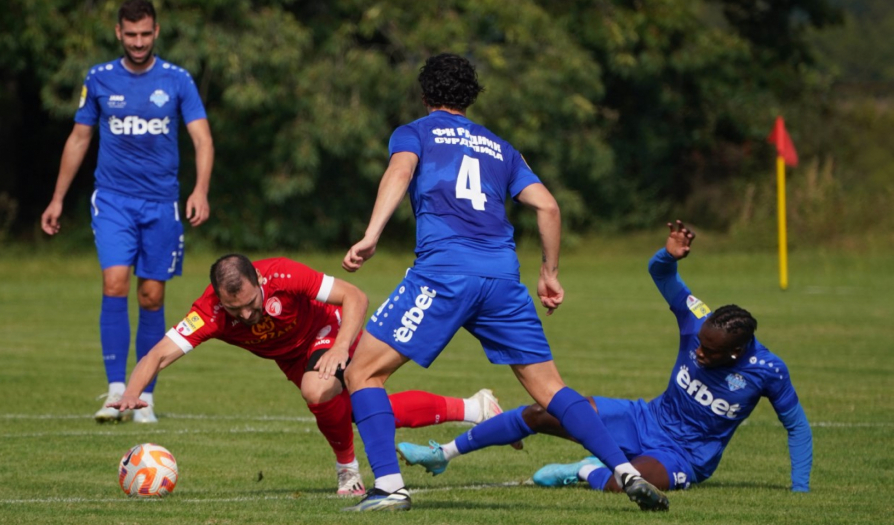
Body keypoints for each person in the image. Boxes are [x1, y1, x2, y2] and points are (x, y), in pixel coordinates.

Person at [339, 53, 669, 512]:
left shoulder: (413, 131)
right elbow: (549, 206)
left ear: (424, 94)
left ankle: (390, 488)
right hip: (501, 277)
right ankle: (625, 470)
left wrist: (371, 235)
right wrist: (549, 273)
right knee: (551, 389)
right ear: (470, 97)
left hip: (445, 272)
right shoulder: (501, 147)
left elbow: (400, 172)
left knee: (362, 372)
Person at [397, 220, 813, 495]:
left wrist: (800, 491)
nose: (698, 352)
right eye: (698, 344)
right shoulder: (695, 319)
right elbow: (661, 274)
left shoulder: (768, 371)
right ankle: (444, 454)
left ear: (736, 353)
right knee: (544, 411)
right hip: (642, 417)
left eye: (710, 351)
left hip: (684, 456)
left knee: (628, 486)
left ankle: (582, 470)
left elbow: (796, 427)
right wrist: (668, 255)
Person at [108, 253, 510, 495]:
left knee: (318, 390)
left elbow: (355, 295)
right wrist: (131, 392)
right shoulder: (210, 312)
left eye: (251, 303)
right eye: (236, 311)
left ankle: (348, 470)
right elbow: (158, 354)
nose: (247, 316)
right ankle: (474, 407)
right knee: (357, 409)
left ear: (260, 282)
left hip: (329, 332)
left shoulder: (283, 274)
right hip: (293, 357)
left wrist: (338, 347)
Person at [40, 0, 214, 424]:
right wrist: (57, 198)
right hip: (113, 200)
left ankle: (145, 397)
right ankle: (116, 391)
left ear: (156, 32)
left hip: (161, 204)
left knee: (151, 295)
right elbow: (79, 139)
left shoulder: (177, 80)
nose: (138, 42)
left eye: (145, 34)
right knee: (115, 283)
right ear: (119, 32)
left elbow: (202, 139)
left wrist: (201, 191)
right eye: (131, 34)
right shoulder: (99, 79)